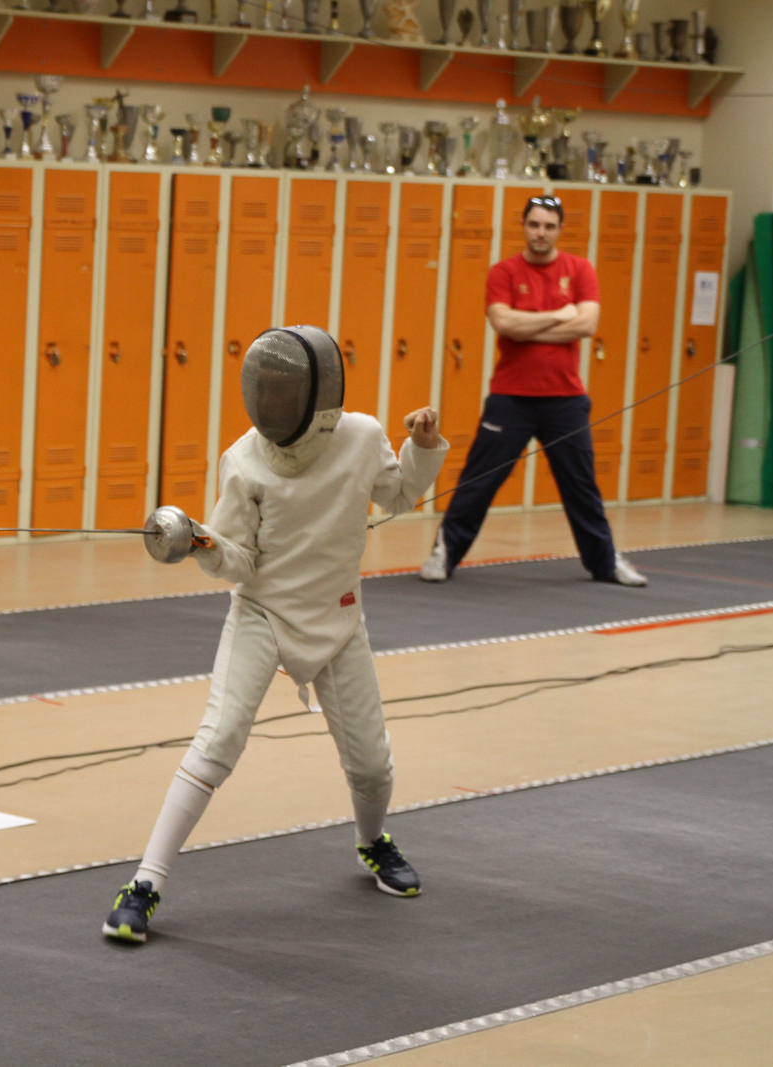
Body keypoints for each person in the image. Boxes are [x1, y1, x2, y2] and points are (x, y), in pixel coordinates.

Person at [104, 325, 448, 944]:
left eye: (282, 391)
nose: (269, 402)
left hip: (337, 616)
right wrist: (200, 541)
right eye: (264, 389)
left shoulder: (362, 436)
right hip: (262, 614)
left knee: (372, 765)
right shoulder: (243, 460)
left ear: (319, 400)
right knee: (217, 742)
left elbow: (400, 495)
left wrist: (420, 448)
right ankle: (144, 884)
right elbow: (239, 561)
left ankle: (373, 841)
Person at [420, 195, 646, 587]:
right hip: (511, 398)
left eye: (549, 226)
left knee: (582, 486)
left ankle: (606, 563)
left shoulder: (580, 269)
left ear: (559, 229)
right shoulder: (503, 272)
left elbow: (586, 325)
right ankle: (444, 553)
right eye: (534, 225)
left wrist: (529, 326)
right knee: (478, 480)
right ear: (524, 226)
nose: (541, 233)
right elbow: (504, 324)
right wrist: (559, 315)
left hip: (566, 399)